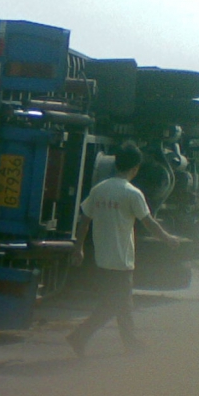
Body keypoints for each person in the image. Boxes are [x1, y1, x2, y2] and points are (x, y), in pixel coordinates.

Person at [67, 142, 183, 355]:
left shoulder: (99, 189)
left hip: (102, 257)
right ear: (135, 168)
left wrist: (79, 248)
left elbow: (84, 221)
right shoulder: (132, 193)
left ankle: (128, 343)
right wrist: (168, 238)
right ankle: (80, 336)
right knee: (116, 304)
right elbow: (149, 222)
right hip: (121, 259)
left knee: (120, 303)